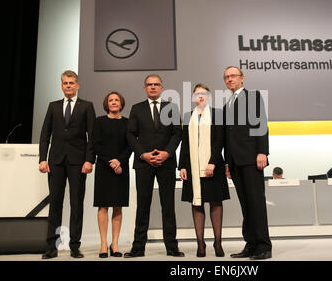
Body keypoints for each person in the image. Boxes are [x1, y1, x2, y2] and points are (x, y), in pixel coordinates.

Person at [39, 70, 96, 259]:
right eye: (65, 83)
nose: (68, 86)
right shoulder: (53, 106)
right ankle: (51, 247)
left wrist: (89, 160)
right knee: (55, 204)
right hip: (55, 162)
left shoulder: (87, 106)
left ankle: (74, 246)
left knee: (76, 204)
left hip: (78, 162)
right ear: (61, 86)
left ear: (77, 85)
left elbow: (92, 137)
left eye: (71, 83)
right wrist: (42, 159)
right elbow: (45, 135)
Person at [125, 74, 183, 258]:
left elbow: (177, 133)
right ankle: (138, 248)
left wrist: (167, 153)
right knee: (143, 206)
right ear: (144, 88)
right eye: (149, 85)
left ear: (162, 87)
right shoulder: (136, 109)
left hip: (166, 162)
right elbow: (130, 135)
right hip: (144, 163)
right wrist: (143, 154)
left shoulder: (171, 107)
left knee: (168, 206)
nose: (152, 87)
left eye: (156, 84)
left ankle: (172, 248)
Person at [223, 66, 272, 260]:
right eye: (226, 77)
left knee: (256, 203)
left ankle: (263, 246)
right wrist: (227, 162)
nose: (230, 79)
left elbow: (261, 124)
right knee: (245, 204)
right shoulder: (227, 103)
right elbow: (228, 136)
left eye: (233, 76)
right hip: (235, 161)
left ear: (242, 78)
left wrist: (262, 151)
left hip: (252, 158)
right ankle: (251, 244)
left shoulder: (253, 96)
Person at [179, 84, 230, 257]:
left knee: (215, 202)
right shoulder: (188, 116)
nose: (200, 96)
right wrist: (182, 166)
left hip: (213, 166)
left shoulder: (218, 114)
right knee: (196, 203)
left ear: (208, 96)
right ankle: (200, 244)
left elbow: (220, 141)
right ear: (194, 97)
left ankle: (218, 242)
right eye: (197, 93)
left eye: (203, 93)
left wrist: (213, 162)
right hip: (193, 167)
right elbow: (184, 143)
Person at [93, 92, 131, 258]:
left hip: (121, 168)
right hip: (104, 167)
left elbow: (130, 145)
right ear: (106, 104)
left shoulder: (128, 123)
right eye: (111, 100)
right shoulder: (99, 121)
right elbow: (95, 144)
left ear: (121, 103)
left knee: (118, 206)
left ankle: (114, 244)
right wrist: (111, 161)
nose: (114, 102)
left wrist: (120, 161)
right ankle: (103, 243)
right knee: (103, 206)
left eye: (116, 100)